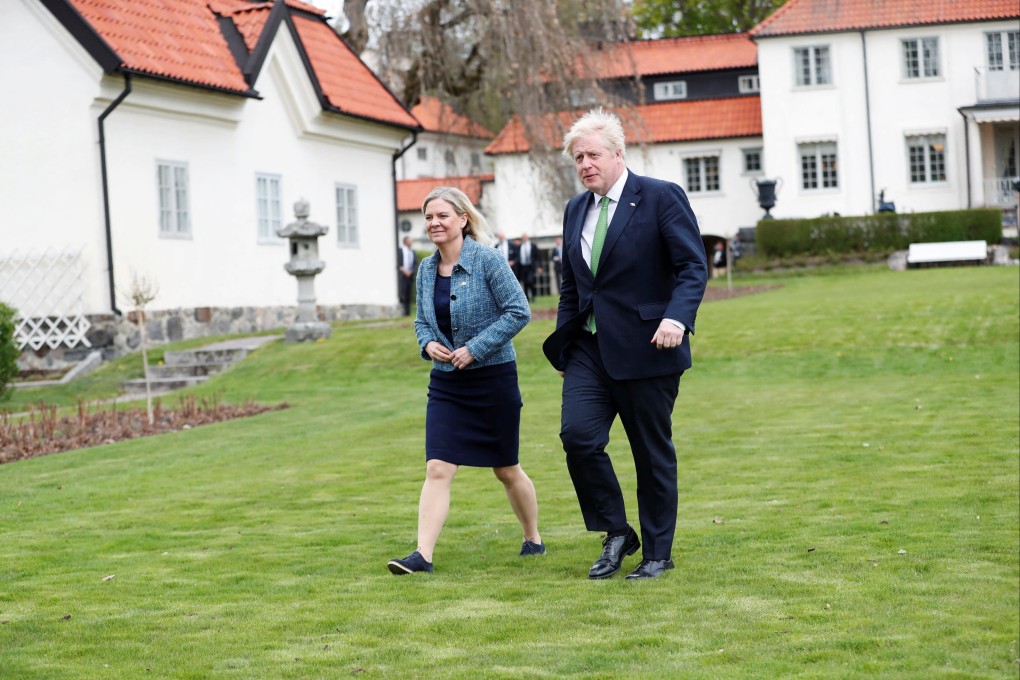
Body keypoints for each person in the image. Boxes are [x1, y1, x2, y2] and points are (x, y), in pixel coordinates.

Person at [542, 108, 707, 580]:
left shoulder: (659, 197)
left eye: (592, 154)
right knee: (578, 438)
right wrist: (566, 341)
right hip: (588, 351)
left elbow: (692, 267)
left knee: (649, 452)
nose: (585, 164)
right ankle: (617, 531)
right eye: (577, 158)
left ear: (618, 153)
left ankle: (657, 553)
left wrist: (677, 316)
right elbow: (574, 286)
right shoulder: (577, 209)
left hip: (648, 346)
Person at [388, 186, 544, 575]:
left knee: (506, 467)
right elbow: (422, 320)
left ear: (463, 219)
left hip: (493, 380)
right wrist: (427, 345)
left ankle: (532, 537)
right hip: (446, 385)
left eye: (442, 215)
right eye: (428, 217)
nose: (434, 223)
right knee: (438, 467)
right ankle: (422, 555)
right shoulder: (426, 269)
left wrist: (476, 348)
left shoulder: (489, 261)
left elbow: (518, 312)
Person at [397, 235, 418, 316]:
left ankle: (407, 313)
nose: (411, 242)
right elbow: (397, 262)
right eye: (410, 240)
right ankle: (401, 310)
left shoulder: (413, 252)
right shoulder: (400, 251)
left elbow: (415, 264)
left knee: (408, 294)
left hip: (410, 276)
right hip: (401, 275)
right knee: (402, 293)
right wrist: (403, 270)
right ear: (405, 241)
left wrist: (411, 271)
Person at [516, 233, 539, 301]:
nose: (524, 238)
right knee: (525, 283)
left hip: (530, 267)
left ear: (527, 237)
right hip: (522, 267)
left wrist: (539, 266)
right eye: (523, 237)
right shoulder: (519, 246)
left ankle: (533, 296)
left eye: (525, 237)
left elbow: (537, 256)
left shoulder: (532, 245)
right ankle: (527, 298)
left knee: (530, 281)